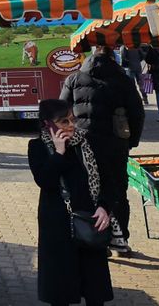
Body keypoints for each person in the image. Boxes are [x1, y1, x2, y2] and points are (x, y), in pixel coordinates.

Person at [28, 99, 113, 306]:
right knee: (60, 286)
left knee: (94, 285)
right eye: (63, 121)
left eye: (72, 119)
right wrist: (58, 153)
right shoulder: (38, 147)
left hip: (90, 218)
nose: (70, 125)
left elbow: (109, 179)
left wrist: (104, 207)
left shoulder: (87, 142)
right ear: (48, 124)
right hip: (58, 223)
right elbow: (45, 181)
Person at [60, 48, 144, 256]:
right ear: (112, 59)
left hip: (84, 146)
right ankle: (120, 239)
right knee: (116, 190)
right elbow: (137, 113)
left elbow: (62, 110)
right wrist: (131, 140)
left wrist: (68, 142)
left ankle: (97, 238)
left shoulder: (74, 79)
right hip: (115, 144)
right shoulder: (123, 80)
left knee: (90, 192)